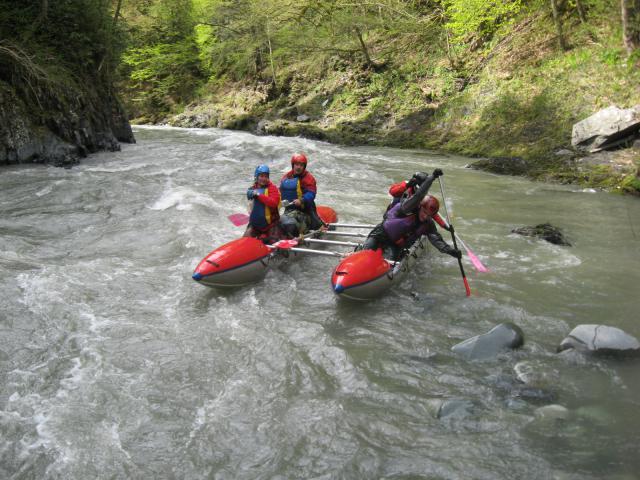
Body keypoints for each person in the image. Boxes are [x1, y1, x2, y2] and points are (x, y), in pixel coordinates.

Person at [363, 168, 462, 261]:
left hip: (396, 244)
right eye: (424, 213)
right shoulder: (407, 208)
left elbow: (436, 240)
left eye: (429, 215)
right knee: (365, 252)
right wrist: (432, 178)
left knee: (390, 260)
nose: (425, 217)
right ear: (420, 207)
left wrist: (451, 251)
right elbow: (417, 195)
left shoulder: (428, 222)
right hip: (381, 234)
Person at [279, 152, 324, 237]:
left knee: (313, 218)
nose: (298, 167)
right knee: (283, 221)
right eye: (297, 164)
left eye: (301, 165)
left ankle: (318, 226)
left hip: (305, 208)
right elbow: (280, 191)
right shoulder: (287, 177)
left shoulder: (309, 178)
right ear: (293, 165)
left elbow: (311, 193)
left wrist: (302, 200)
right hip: (290, 208)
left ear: (304, 167)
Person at [243, 164, 282, 243]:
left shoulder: (272, 188)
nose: (264, 179)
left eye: (266, 176)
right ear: (256, 177)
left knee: (272, 242)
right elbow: (249, 201)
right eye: (261, 176)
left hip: (271, 225)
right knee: (244, 240)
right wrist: (249, 193)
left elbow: (274, 203)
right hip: (255, 225)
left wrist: (258, 195)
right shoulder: (252, 188)